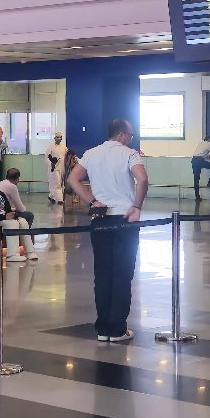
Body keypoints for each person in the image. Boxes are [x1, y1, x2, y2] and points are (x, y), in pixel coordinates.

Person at [69, 117, 148, 342]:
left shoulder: (91, 153)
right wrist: (137, 206)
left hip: (100, 218)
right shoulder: (130, 154)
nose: (130, 139)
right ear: (121, 135)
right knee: (122, 273)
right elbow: (142, 179)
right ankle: (117, 329)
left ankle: (103, 328)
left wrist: (92, 201)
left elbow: (73, 179)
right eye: (130, 135)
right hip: (124, 218)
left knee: (103, 273)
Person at [46, 133, 68, 204]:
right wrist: (51, 163)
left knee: (60, 183)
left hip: (62, 168)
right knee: (57, 183)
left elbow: (67, 156)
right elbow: (47, 157)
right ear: (54, 138)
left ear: (61, 138)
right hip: (54, 168)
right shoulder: (50, 147)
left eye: (59, 137)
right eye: (57, 137)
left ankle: (51, 196)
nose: (58, 138)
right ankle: (59, 199)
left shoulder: (64, 147)